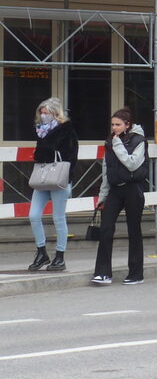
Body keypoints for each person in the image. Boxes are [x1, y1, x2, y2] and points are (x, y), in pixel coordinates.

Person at [92, 108, 149, 286]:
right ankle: (102, 273)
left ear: (127, 125)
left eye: (118, 124)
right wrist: (102, 195)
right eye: (112, 124)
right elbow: (106, 169)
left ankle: (136, 273)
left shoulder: (139, 141)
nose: (114, 127)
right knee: (106, 228)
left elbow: (132, 164)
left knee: (134, 230)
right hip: (115, 190)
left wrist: (117, 146)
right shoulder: (110, 141)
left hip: (133, 189)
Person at [27, 97, 78, 272]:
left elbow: (72, 156)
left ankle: (60, 256)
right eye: (41, 112)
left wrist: (67, 179)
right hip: (43, 178)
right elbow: (39, 155)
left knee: (58, 217)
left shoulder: (66, 130)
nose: (42, 116)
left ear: (55, 113)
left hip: (59, 178)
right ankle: (41, 252)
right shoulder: (41, 131)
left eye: (46, 112)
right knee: (33, 215)